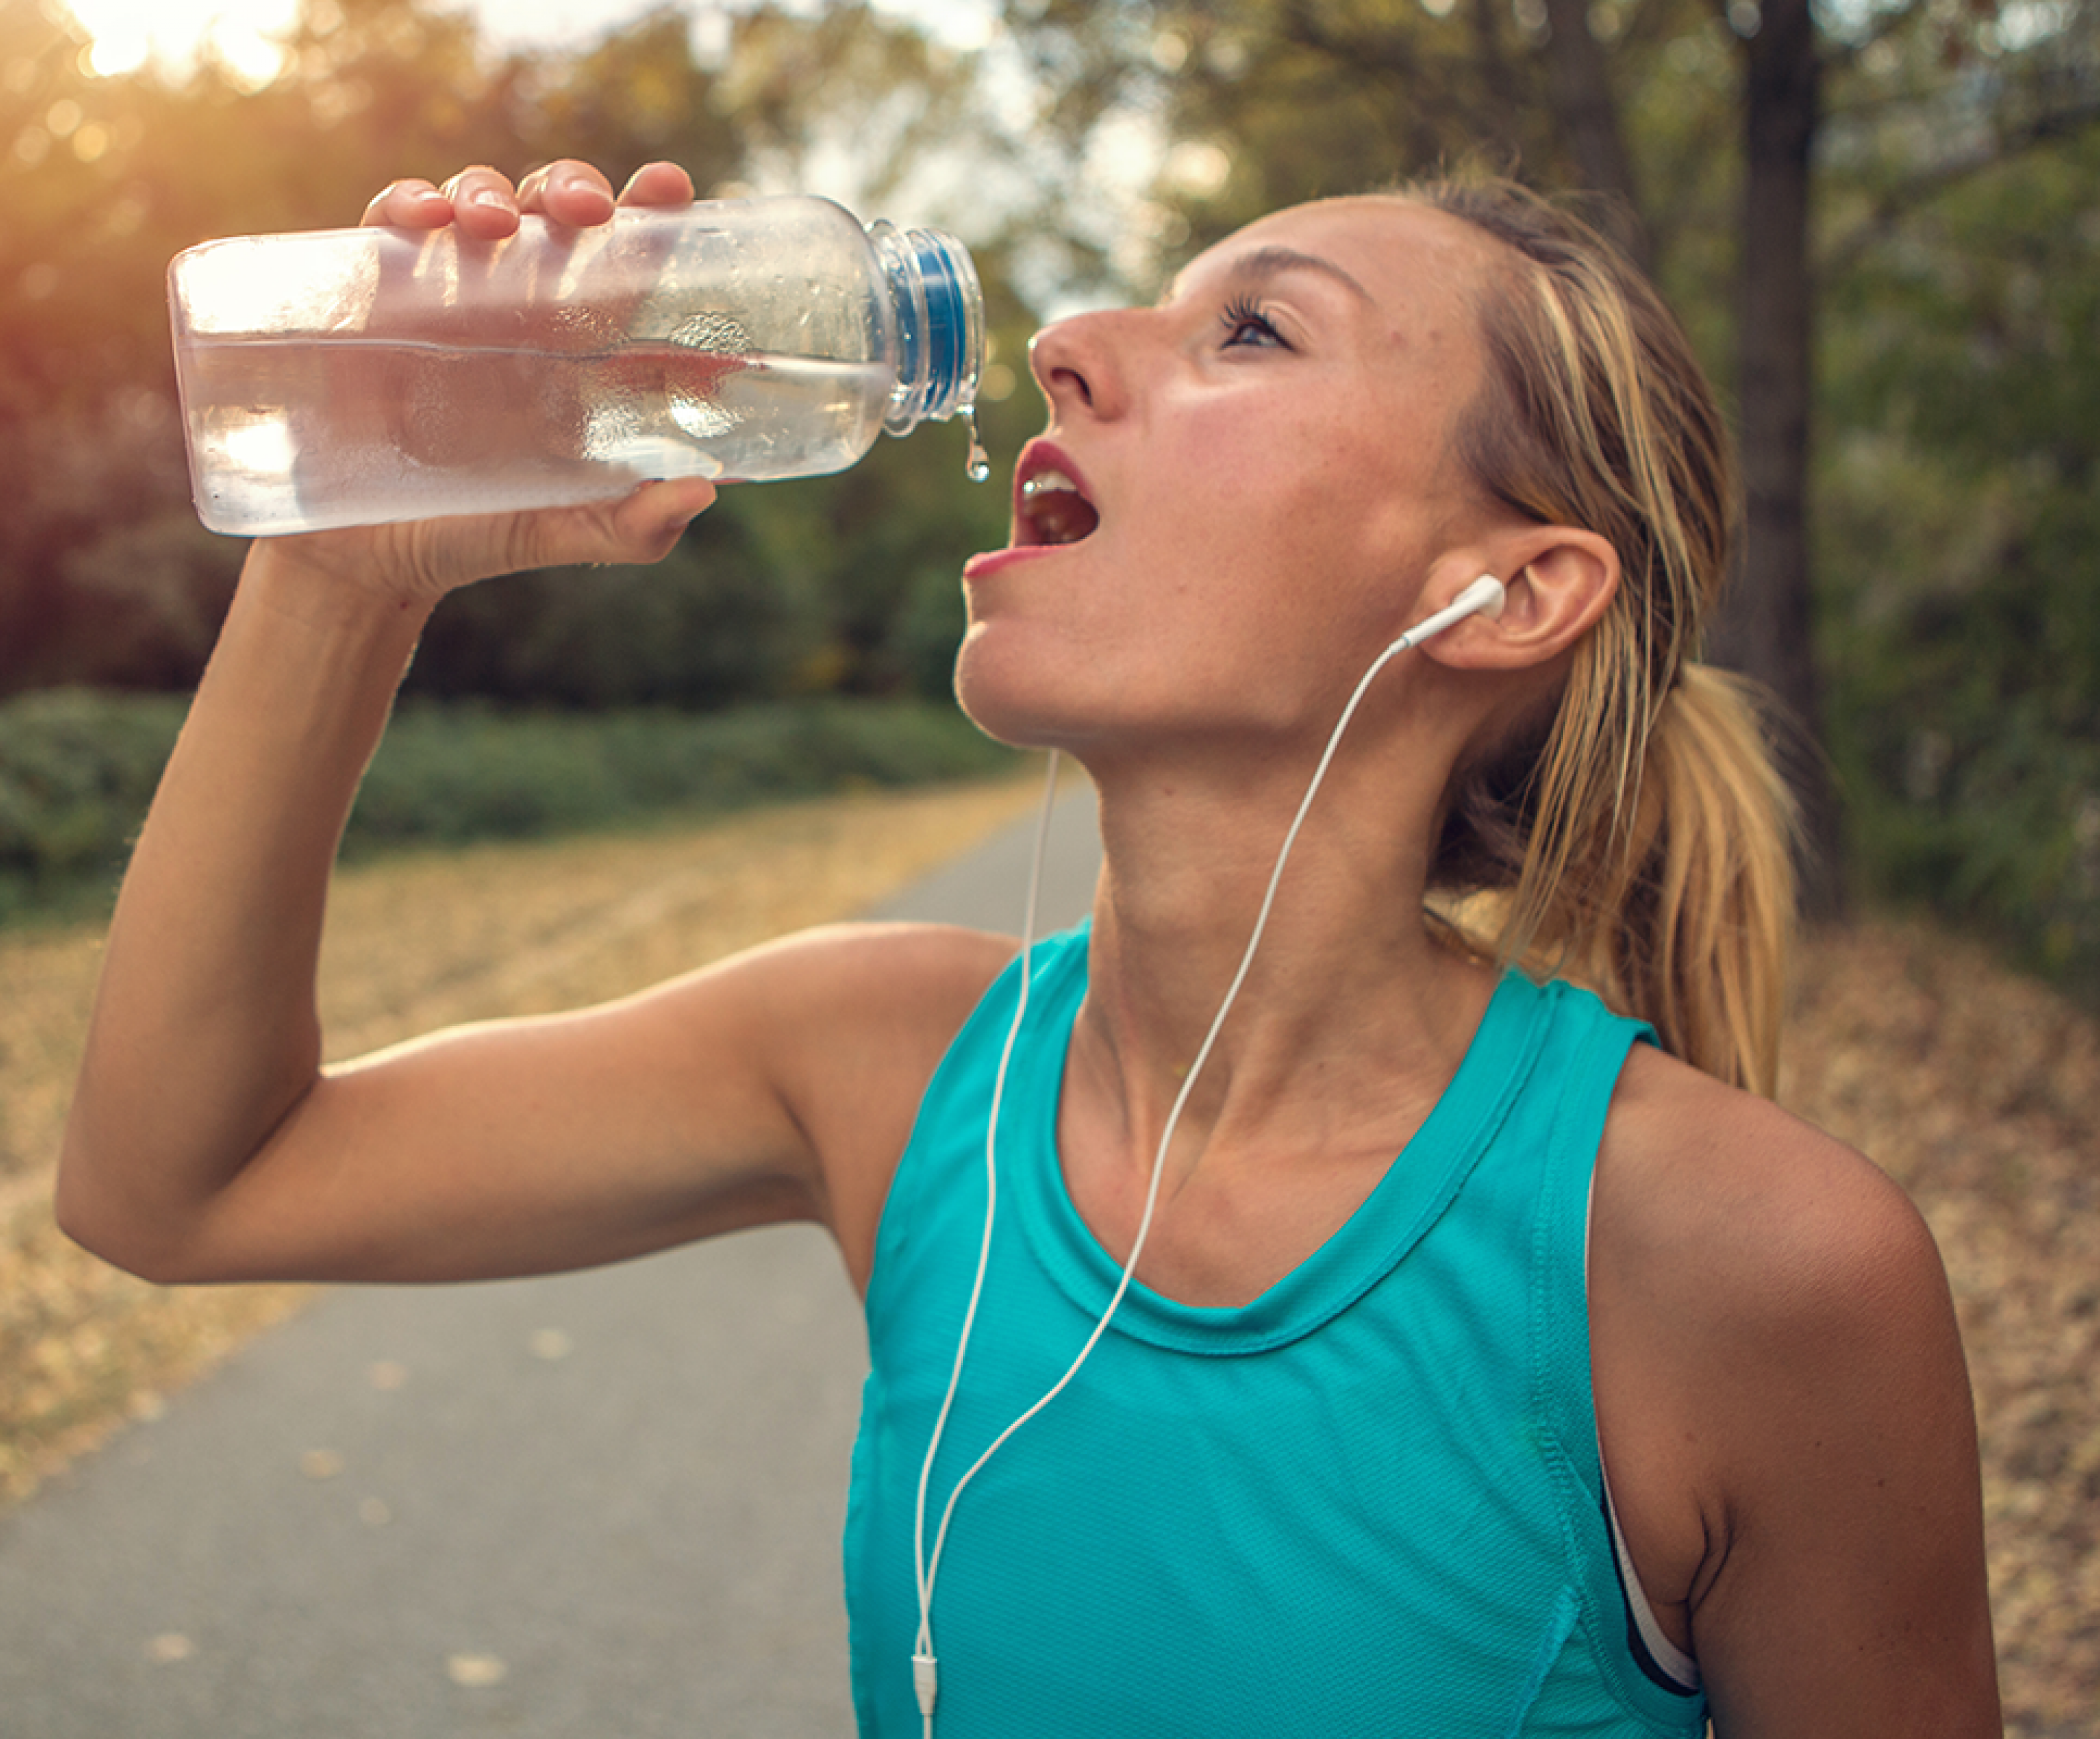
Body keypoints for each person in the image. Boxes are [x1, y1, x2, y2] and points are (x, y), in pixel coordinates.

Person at [57, 159, 2002, 1736]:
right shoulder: (886, 1064)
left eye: (1252, 329)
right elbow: (177, 1185)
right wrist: (345, 553)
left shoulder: (1741, 1265)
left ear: (1502, 590)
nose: (1065, 348)